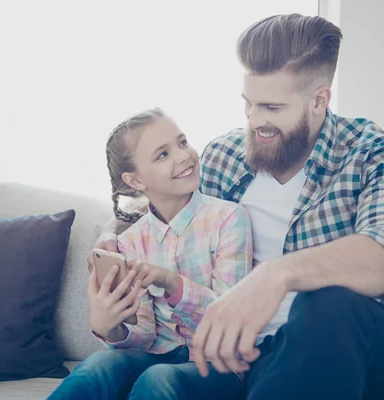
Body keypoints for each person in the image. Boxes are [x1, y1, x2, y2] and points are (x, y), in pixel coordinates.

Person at [91, 14, 384, 399]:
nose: (255, 121)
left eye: (272, 108)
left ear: (319, 100)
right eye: (249, 104)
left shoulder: (378, 156)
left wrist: (276, 274)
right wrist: (111, 235)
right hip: (269, 360)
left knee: (327, 302)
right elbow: (165, 207)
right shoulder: (226, 156)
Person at [48, 108, 252, 400]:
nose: (184, 156)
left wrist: (172, 283)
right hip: (156, 355)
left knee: (159, 378)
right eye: (162, 154)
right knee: (99, 365)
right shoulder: (130, 242)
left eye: (182, 143)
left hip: (217, 363)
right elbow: (144, 335)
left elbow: (230, 320)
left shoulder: (229, 218)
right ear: (135, 181)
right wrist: (112, 327)